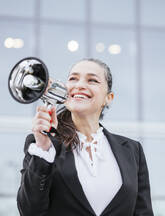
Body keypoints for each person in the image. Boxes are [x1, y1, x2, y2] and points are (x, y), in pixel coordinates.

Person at [17, 58, 154, 216]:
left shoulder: (132, 150)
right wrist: (43, 148)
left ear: (108, 98)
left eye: (92, 80)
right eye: (73, 78)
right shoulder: (42, 146)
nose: (80, 85)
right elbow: (29, 211)